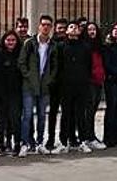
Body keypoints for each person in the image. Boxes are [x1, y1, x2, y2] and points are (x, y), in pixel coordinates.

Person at [17, 15, 57, 157]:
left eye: (48, 25)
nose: (46, 27)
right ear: (39, 26)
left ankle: (40, 143)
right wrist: (28, 76)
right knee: (27, 115)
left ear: (51, 28)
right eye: (43, 24)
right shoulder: (30, 43)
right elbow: (21, 63)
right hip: (29, 86)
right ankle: (25, 143)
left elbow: (54, 66)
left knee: (41, 116)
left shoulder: (52, 45)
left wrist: (49, 79)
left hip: (44, 86)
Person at [55, 20, 93, 154]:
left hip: (81, 84)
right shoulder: (60, 46)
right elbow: (58, 66)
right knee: (66, 114)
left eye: (76, 27)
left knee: (80, 114)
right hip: (66, 85)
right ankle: (64, 142)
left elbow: (88, 65)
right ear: (66, 31)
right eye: (70, 27)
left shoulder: (85, 47)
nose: (73, 29)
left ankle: (82, 141)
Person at [0, 31, 23, 156]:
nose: (10, 42)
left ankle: (16, 143)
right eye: (8, 40)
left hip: (15, 93)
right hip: (0, 93)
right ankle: (1, 144)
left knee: (15, 119)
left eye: (13, 40)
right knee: (1, 120)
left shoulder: (20, 54)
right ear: (4, 41)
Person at [82, 22, 107, 150]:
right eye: (89, 29)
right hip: (89, 81)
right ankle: (88, 137)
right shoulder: (84, 46)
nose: (92, 32)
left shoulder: (99, 46)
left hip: (98, 80)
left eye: (94, 29)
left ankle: (91, 135)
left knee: (94, 110)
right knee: (89, 110)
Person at [45, 18, 69, 152]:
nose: (62, 31)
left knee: (66, 113)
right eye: (59, 28)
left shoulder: (68, 43)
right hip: (54, 83)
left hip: (66, 83)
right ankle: (50, 138)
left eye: (64, 28)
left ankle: (64, 138)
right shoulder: (51, 43)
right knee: (52, 112)